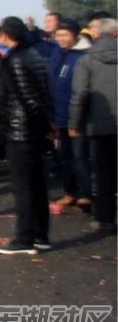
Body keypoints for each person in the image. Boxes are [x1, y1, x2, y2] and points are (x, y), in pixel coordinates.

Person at [0, 17, 54, 255]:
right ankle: (40, 235)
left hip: (21, 131)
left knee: (23, 187)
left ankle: (24, 238)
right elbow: (43, 95)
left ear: (6, 35)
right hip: (33, 131)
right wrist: (47, 123)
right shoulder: (34, 55)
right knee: (37, 185)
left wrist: (42, 122)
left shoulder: (14, 61)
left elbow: (28, 100)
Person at [69, 16, 118, 235]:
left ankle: (105, 218)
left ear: (96, 34)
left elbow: (80, 95)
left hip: (100, 125)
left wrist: (74, 123)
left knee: (104, 172)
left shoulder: (86, 59)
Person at [47, 19, 90, 210]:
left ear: (75, 35)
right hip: (58, 115)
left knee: (80, 157)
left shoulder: (83, 56)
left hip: (78, 117)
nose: (61, 39)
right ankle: (69, 191)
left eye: (65, 35)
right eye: (58, 35)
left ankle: (85, 193)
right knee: (63, 157)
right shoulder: (57, 53)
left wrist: (76, 118)